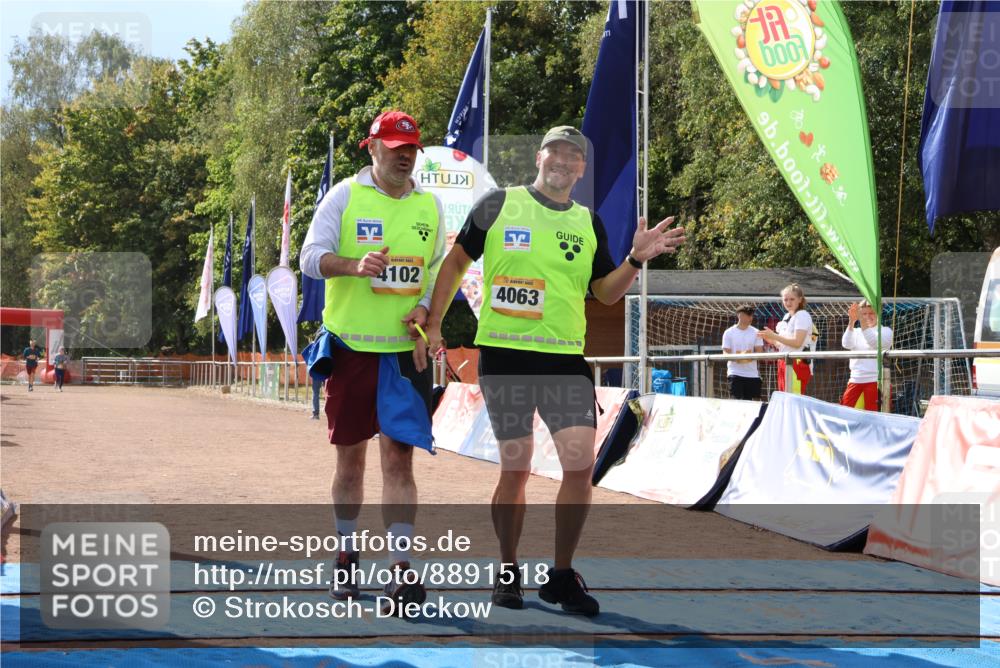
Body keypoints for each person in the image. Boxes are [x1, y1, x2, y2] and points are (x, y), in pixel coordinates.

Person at [425, 126, 685, 616]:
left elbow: (606, 293)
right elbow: (456, 262)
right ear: (540, 157)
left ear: (582, 169)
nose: (564, 162)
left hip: (565, 359)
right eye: (556, 152)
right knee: (517, 467)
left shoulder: (590, 222)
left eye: (574, 157)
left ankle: (561, 576)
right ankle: (507, 570)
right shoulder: (498, 204)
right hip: (506, 356)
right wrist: (435, 321)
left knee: (580, 468)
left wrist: (635, 259)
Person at [298, 110, 446, 614]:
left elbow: (433, 271)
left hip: (404, 354)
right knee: (351, 458)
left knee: (399, 458)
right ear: (373, 148)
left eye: (412, 147)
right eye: (394, 146)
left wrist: (426, 308)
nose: (404, 155)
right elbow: (308, 257)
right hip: (350, 349)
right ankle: (345, 552)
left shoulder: (430, 205)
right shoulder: (343, 196)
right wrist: (352, 266)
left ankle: (401, 569)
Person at [759, 283, 813, 395]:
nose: (788, 303)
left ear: (800, 299)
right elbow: (782, 345)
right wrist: (770, 338)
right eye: (785, 299)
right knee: (785, 398)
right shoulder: (786, 316)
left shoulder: (802, 315)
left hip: (796, 363)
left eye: (792, 299)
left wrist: (774, 336)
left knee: (794, 400)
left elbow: (797, 343)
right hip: (784, 361)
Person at [841, 300, 893, 411]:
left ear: (879, 313)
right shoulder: (856, 331)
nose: (867, 317)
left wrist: (862, 321)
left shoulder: (886, 331)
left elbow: (874, 342)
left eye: (871, 313)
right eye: (864, 314)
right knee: (846, 413)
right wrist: (851, 321)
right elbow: (846, 344)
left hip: (876, 381)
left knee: (874, 417)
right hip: (855, 380)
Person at [722, 305, 763, 400]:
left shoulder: (756, 332)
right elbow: (725, 353)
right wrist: (739, 358)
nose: (750, 318)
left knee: (752, 405)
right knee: (738, 403)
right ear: (739, 315)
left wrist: (747, 357)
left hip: (752, 374)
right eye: (748, 315)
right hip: (735, 373)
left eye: (751, 315)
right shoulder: (729, 332)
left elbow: (759, 352)